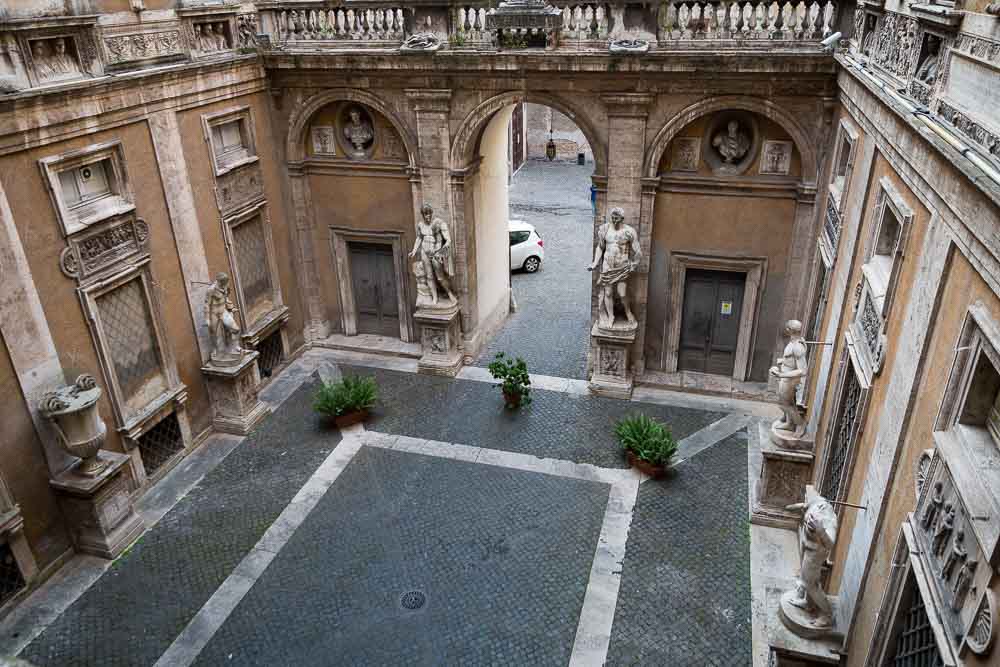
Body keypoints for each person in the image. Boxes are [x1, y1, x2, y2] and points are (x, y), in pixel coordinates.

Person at [588, 207, 641, 329]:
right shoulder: (605, 230)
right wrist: (595, 262)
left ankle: (628, 312)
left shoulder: (629, 232)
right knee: (608, 292)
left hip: (622, 267)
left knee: (622, 293)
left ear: (622, 218)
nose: (614, 220)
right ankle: (610, 316)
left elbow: (637, 250)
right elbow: (600, 247)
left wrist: (634, 263)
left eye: (617, 218)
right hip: (607, 266)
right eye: (613, 218)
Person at [409, 204, 457, 306]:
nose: (428, 216)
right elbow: (419, 238)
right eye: (426, 214)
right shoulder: (420, 225)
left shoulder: (438, 223)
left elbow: (448, 240)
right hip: (424, 252)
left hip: (436, 253)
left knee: (440, 277)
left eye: (429, 214)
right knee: (429, 277)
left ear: (432, 213)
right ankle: (434, 298)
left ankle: (449, 293)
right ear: (423, 215)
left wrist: (442, 250)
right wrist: (414, 250)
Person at [770, 320, 808, 439]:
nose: (786, 330)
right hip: (785, 376)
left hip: (789, 380)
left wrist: (781, 375)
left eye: (787, 329)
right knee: (786, 403)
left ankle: (800, 425)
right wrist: (784, 361)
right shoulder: (793, 342)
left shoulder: (797, 347)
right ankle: (789, 423)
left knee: (785, 405)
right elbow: (791, 360)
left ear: (789, 330)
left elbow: (802, 371)